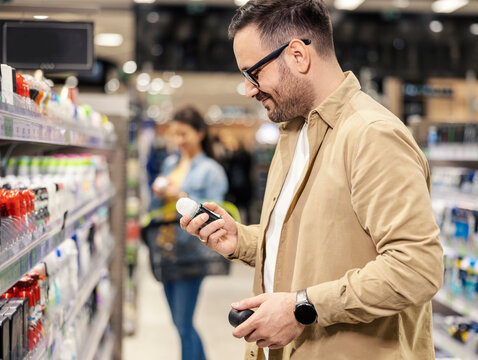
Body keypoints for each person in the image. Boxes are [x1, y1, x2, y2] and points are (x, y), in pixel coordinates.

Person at [180, 1, 444, 359]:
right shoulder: (294, 133)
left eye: (253, 73)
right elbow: (311, 244)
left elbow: (416, 267)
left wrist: (302, 308)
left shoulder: (371, 135)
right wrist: (241, 239)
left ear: (298, 55)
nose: (249, 90)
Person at [149, 106, 229, 360]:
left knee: (183, 324)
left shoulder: (211, 171)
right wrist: (159, 193)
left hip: (191, 251)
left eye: (184, 134)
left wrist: (179, 196)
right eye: (175, 134)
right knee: (178, 323)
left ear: (200, 133)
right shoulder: (172, 162)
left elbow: (215, 213)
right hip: (165, 246)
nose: (179, 140)